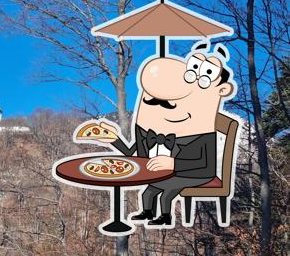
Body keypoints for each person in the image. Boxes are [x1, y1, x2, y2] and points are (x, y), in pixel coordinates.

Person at [77, 41, 237, 228]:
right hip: (178, 170)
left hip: (200, 173)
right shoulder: (172, 130)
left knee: (167, 189)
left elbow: (206, 165)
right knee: (149, 190)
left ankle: (166, 216)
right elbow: (133, 154)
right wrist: (113, 139)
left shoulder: (204, 134)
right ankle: (147, 211)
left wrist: (173, 163)